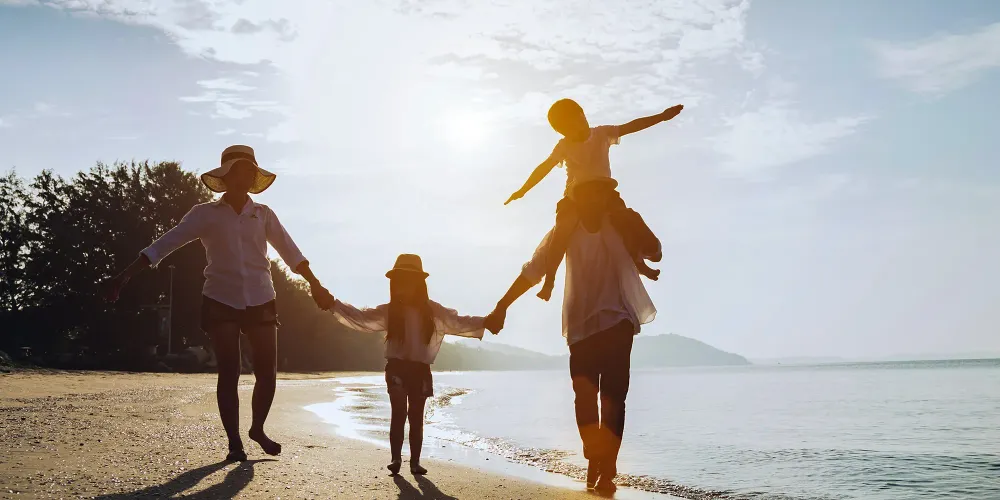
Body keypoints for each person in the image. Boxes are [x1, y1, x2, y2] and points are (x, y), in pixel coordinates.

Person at [103, 145, 335, 462]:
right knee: (230, 370)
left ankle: (257, 428)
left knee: (267, 372)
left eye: (250, 171)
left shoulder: (263, 214)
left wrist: (316, 284)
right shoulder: (204, 214)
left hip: (261, 297)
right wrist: (124, 275)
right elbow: (165, 244)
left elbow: (290, 251)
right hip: (220, 298)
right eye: (238, 170)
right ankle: (234, 442)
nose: (245, 176)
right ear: (225, 177)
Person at [486, 181, 659, 495]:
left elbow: (655, 252)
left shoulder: (618, 223)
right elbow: (533, 270)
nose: (594, 197)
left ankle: (607, 468)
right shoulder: (564, 231)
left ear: (607, 195)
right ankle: (595, 458)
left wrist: (633, 219)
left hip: (617, 321)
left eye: (600, 192)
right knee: (584, 398)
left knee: (614, 396)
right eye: (587, 192)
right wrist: (502, 305)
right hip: (580, 327)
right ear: (577, 197)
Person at [330, 254, 497, 475]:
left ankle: (415, 462)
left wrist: (487, 320)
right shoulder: (390, 311)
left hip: (420, 370)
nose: (401, 286)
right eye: (398, 281)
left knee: (416, 418)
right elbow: (361, 317)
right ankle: (396, 458)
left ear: (419, 283)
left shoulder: (433, 311)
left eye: (407, 281)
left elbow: (458, 322)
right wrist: (332, 304)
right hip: (396, 368)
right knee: (398, 413)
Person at [504, 98, 682, 301]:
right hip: (575, 198)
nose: (577, 130)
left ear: (583, 115)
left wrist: (662, 117)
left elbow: (632, 126)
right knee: (561, 232)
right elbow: (544, 167)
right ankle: (550, 280)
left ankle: (639, 264)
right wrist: (523, 190)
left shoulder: (602, 133)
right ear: (563, 133)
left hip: (606, 193)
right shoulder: (564, 146)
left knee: (625, 220)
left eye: (579, 122)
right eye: (569, 129)